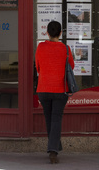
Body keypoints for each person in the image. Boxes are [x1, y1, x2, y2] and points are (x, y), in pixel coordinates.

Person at [35, 21, 74, 164]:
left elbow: (38, 67)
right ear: (60, 33)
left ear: (47, 32)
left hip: (43, 89)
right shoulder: (65, 49)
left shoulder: (40, 47)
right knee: (56, 119)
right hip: (60, 89)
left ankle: (54, 147)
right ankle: (53, 150)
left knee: (49, 118)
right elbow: (71, 67)